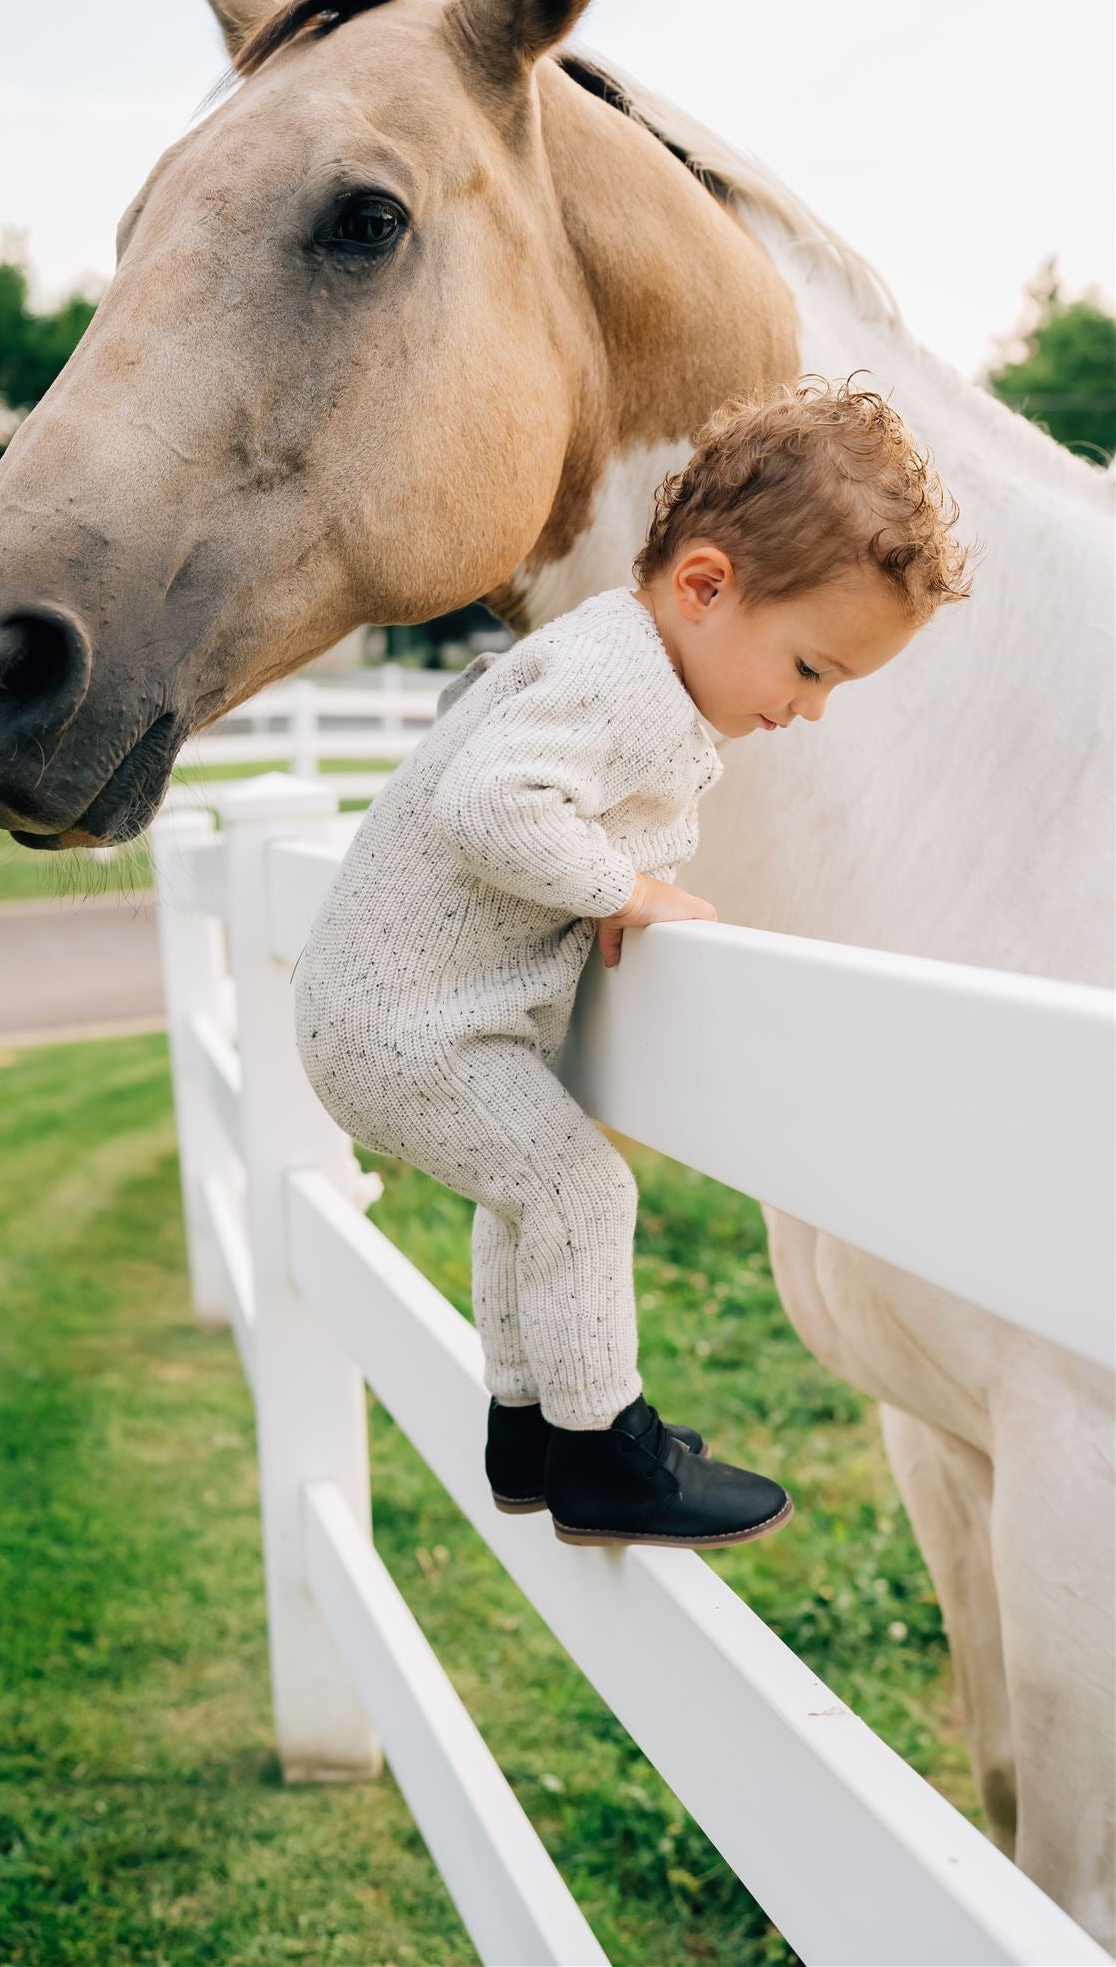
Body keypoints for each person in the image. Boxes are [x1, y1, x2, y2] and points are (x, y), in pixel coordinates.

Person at [292, 375, 972, 1549]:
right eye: (812, 669)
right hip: (402, 1021)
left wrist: (596, 861)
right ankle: (607, 1450)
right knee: (578, 1188)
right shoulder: (626, 681)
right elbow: (487, 801)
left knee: (529, 1190)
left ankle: (533, 1428)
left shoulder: (614, 651)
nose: (810, 710)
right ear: (706, 585)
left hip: (389, 1011)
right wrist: (625, 887)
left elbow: (494, 748)